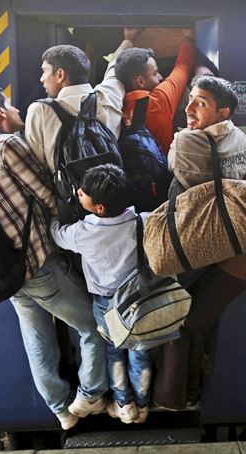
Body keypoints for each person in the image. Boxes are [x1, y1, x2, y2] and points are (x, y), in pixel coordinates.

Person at [0, 87, 108, 430]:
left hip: (8, 271)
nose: (16, 111)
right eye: (11, 106)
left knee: (37, 340)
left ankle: (61, 409)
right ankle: (92, 394)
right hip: (39, 263)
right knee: (94, 326)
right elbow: (46, 195)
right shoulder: (7, 145)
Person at [153, 108, 246, 410]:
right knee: (199, 323)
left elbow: (228, 199)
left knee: (183, 325)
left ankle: (172, 399)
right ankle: (190, 393)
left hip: (233, 265)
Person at [50, 164, 152, 424]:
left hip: (106, 304)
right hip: (139, 300)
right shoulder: (141, 221)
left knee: (114, 353)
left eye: (83, 193)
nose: (79, 193)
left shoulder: (83, 232)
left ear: (100, 208)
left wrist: (52, 215)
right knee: (140, 352)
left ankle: (124, 403)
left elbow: (57, 235)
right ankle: (143, 404)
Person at [25, 37, 131, 175]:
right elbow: (114, 71)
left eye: (44, 71)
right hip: (109, 191)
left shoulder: (40, 110)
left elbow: (37, 167)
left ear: (60, 75)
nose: (42, 78)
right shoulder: (108, 97)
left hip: (68, 194)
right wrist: (128, 40)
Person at [116, 28, 196, 154]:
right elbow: (183, 67)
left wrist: (128, 39)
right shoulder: (158, 100)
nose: (160, 77)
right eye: (155, 73)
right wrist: (188, 39)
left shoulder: (115, 103)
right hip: (162, 171)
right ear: (140, 81)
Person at [167, 75, 246, 194]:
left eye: (201, 104)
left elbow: (171, 169)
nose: (188, 109)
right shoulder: (241, 138)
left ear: (222, 113)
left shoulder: (183, 141)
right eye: (190, 99)